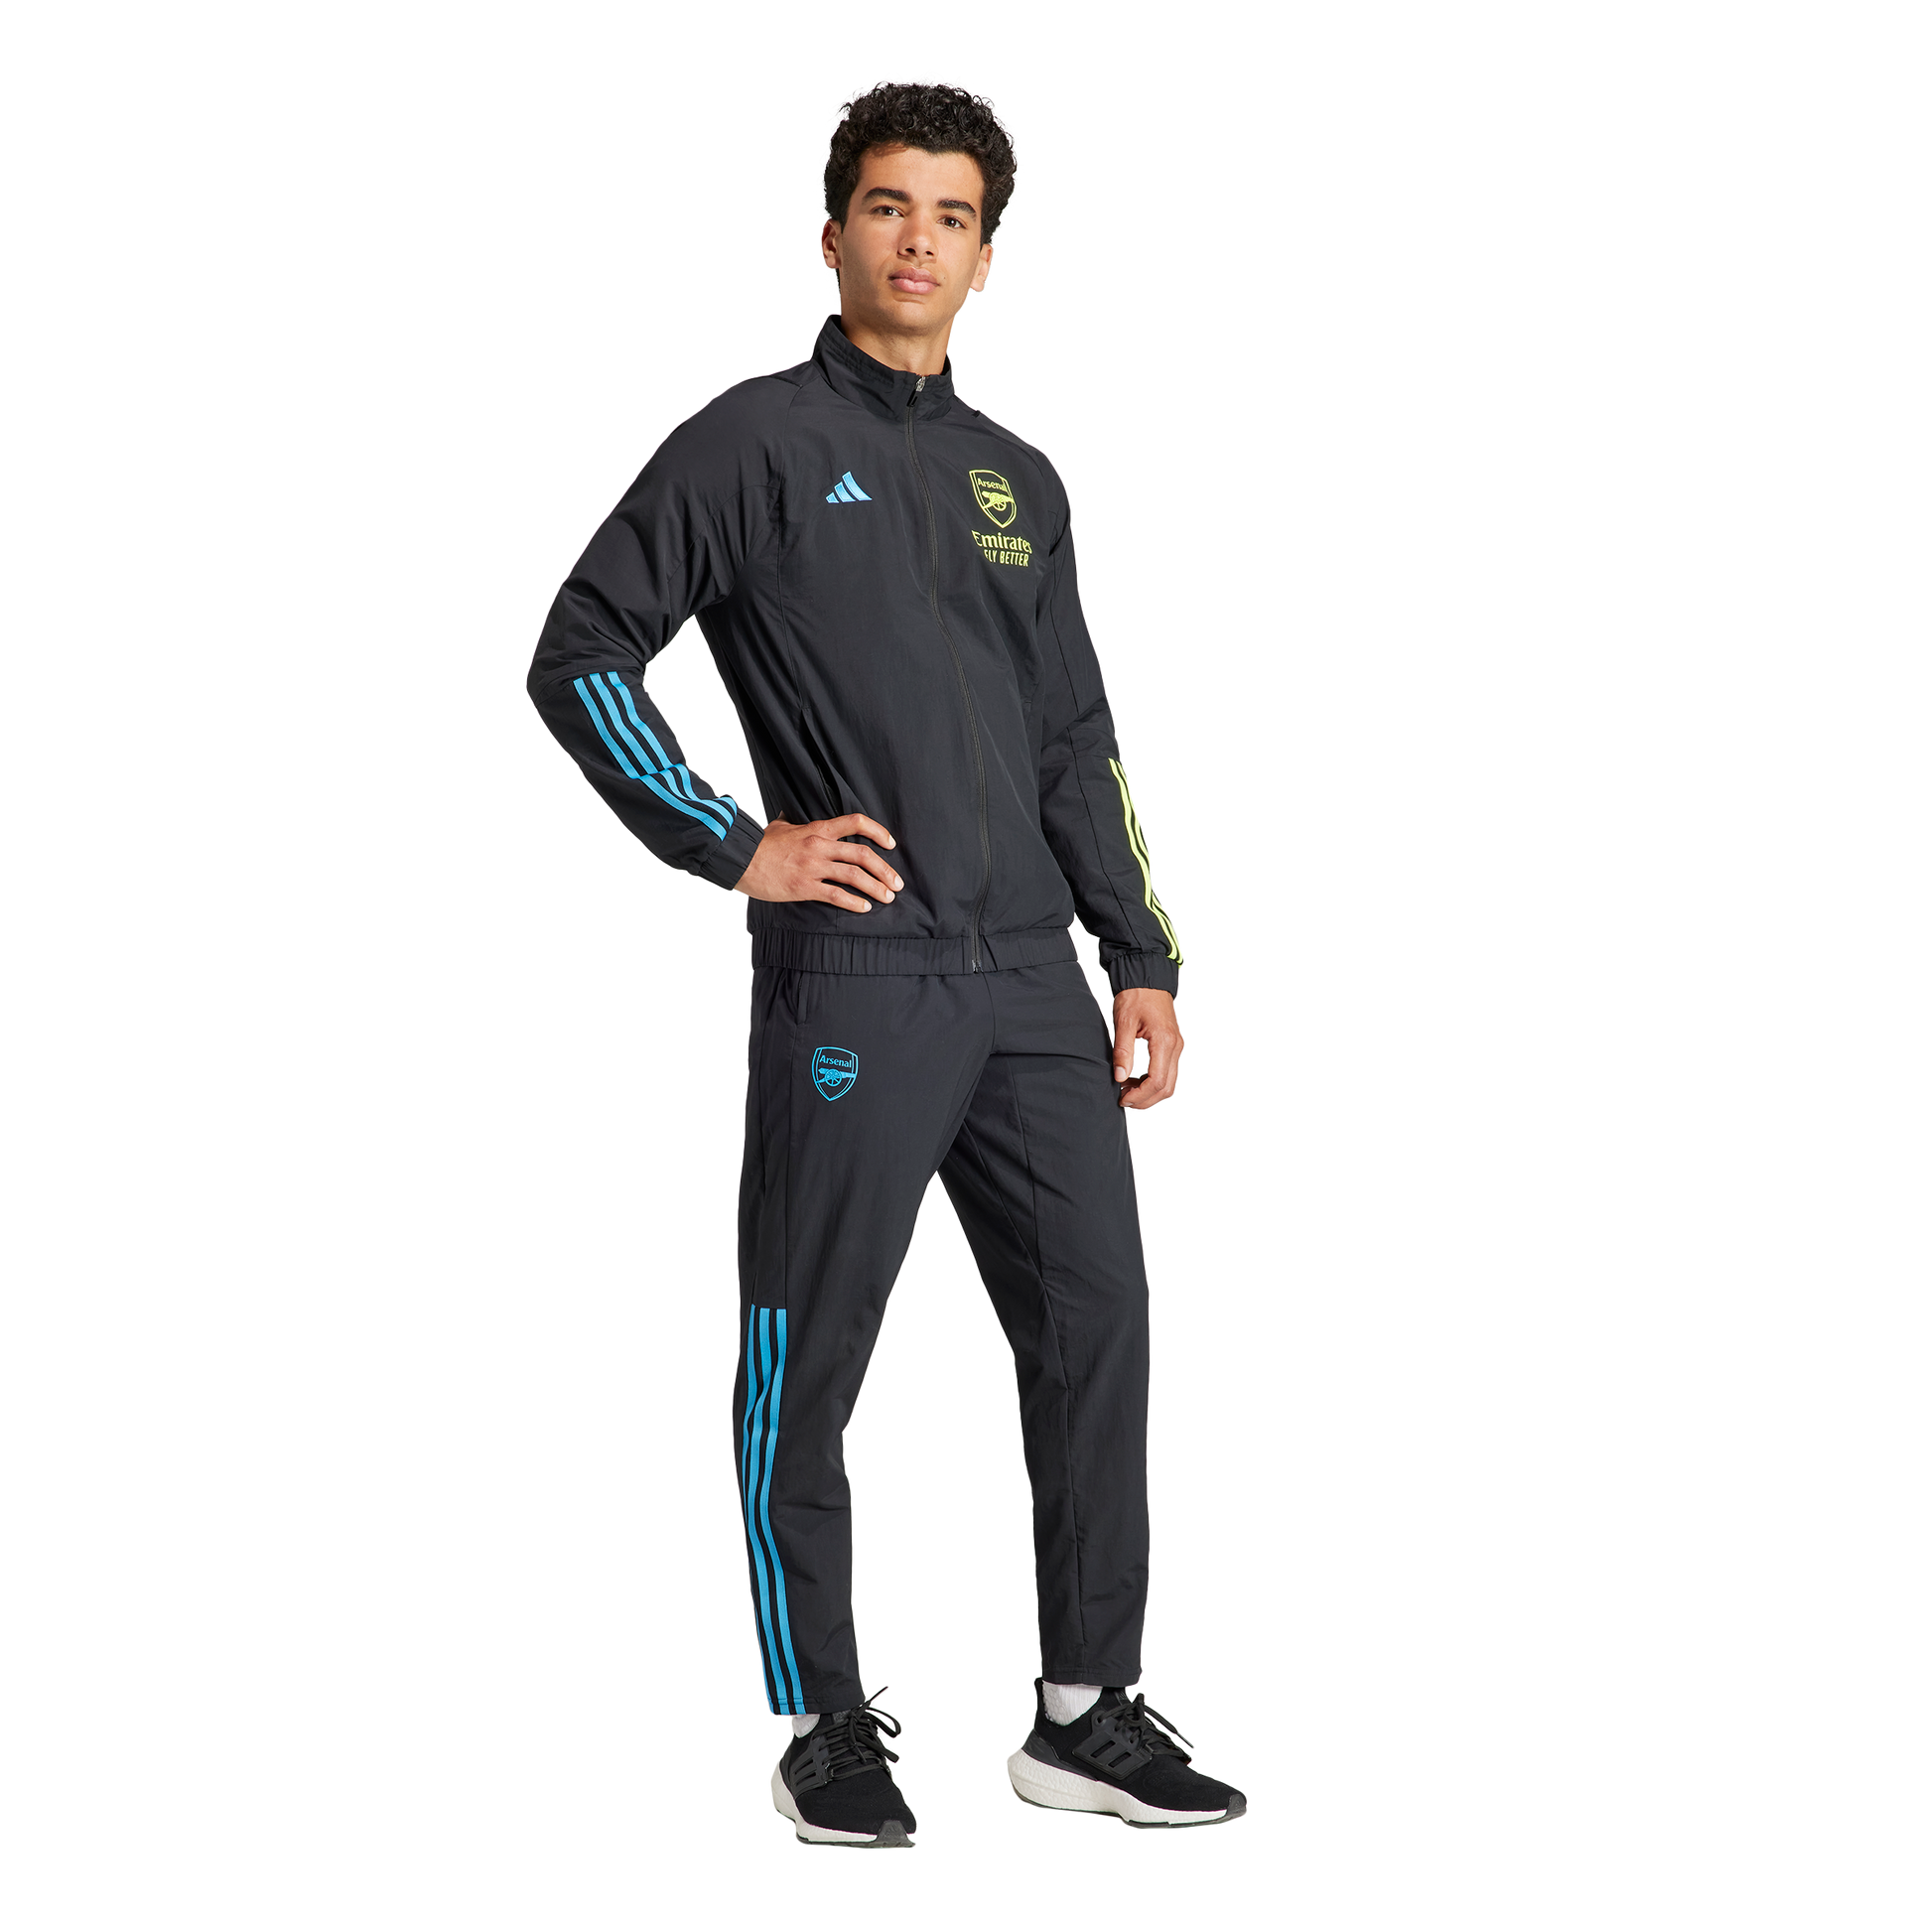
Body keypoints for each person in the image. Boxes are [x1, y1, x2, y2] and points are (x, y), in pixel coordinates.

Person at [522, 69, 1246, 1847]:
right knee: (811, 1343)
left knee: (1099, 1327)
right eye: (887, 207)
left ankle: (1084, 1712)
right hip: (855, 968)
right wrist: (732, 839)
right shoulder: (749, 441)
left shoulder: (1021, 478)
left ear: (988, 257)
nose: (918, 241)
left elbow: (1077, 737)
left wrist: (1138, 953)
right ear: (830, 234)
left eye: (953, 218)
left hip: (1031, 982)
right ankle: (821, 1720)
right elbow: (580, 647)